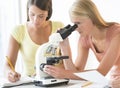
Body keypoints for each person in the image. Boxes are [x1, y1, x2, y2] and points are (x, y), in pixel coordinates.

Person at [44, 0, 120, 87]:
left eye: (78, 23)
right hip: (114, 82)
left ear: (92, 18)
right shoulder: (84, 38)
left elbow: (100, 73)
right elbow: (75, 72)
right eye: (74, 24)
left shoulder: (116, 33)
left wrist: (64, 73)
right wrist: (65, 47)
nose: (76, 28)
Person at [4, 0, 64, 82]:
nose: (35, 20)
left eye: (41, 16)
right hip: (31, 83)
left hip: (57, 81)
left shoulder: (59, 27)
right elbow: (7, 65)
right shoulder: (19, 31)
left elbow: (66, 62)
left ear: (48, 12)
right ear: (27, 10)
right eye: (32, 14)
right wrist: (9, 73)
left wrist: (47, 72)